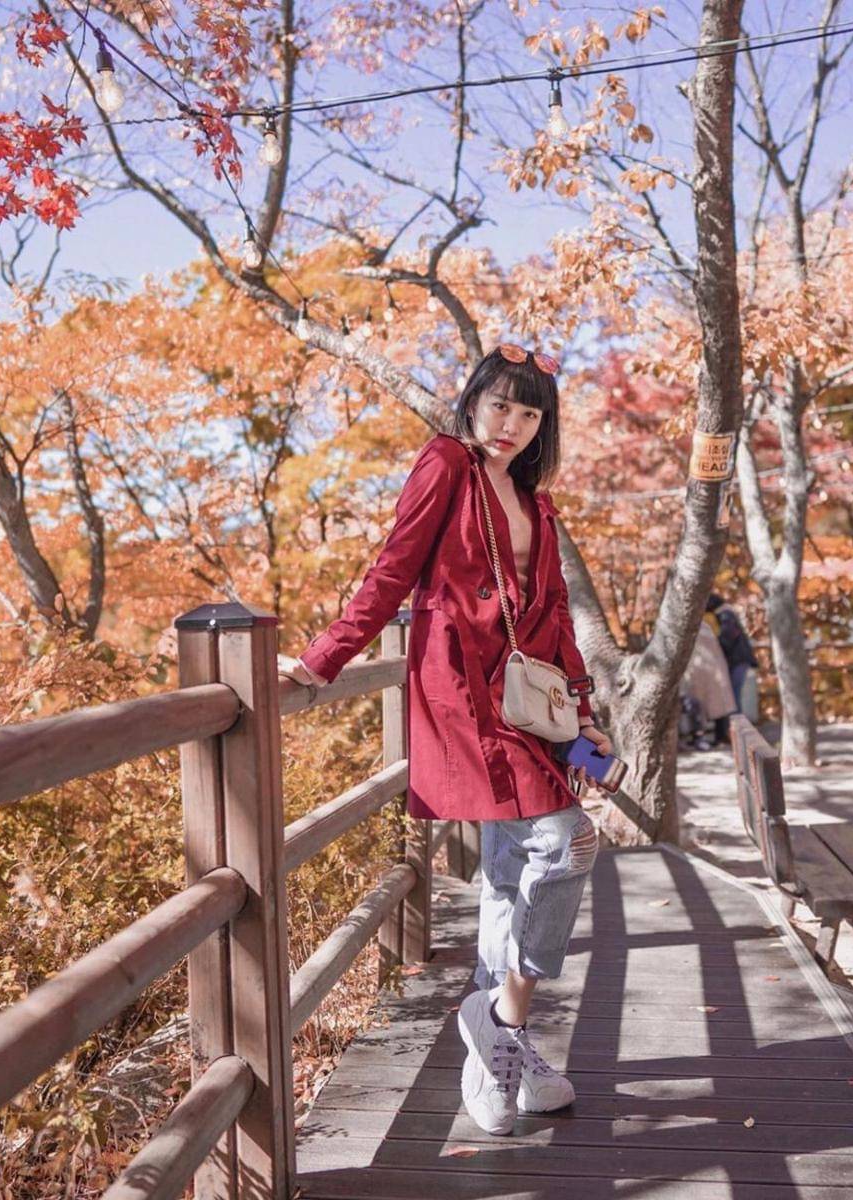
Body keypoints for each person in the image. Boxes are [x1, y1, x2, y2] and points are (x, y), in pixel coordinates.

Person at [280, 343, 612, 1137]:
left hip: (527, 703)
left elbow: (555, 615)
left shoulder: (536, 501)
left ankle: (498, 1048)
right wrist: (325, 658)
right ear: (472, 401)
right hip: (462, 695)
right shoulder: (446, 465)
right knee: (567, 840)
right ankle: (500, 1021)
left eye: (528, 413)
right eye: (500, 404)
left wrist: (583, 711)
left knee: (510, 872)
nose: (511, 424)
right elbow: (394, 568)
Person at [681, 608, 738, 748]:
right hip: (712, 669)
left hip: (701, 670)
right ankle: (717, 737)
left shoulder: (691, 628)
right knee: (717, 704)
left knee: (703, 705)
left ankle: (702, 738)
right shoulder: (704, 626)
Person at [707, 593, 759, 725]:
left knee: (733, 696)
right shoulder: (726, 614)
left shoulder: (726, 615)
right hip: (738, 660)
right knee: (732, 695)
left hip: (738, 660)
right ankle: (735, 726)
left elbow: (728, 636)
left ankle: (738, 727)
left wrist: (715, 644)